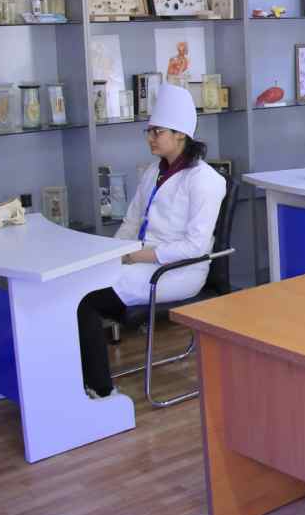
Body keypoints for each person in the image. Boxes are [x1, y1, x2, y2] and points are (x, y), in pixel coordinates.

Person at [77, 84, 226, 398]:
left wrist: (136, 257)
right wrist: (113, 253)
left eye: (156, 132)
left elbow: (195, 247)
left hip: (177, 272)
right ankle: (81, 381)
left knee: (87, 302)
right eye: (149, 131)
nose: (149, 138)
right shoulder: (153, 172)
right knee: (76, 287)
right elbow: (131, 222)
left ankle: (101, 390)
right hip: (140, 262)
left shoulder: (206, 181)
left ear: (180, 135)